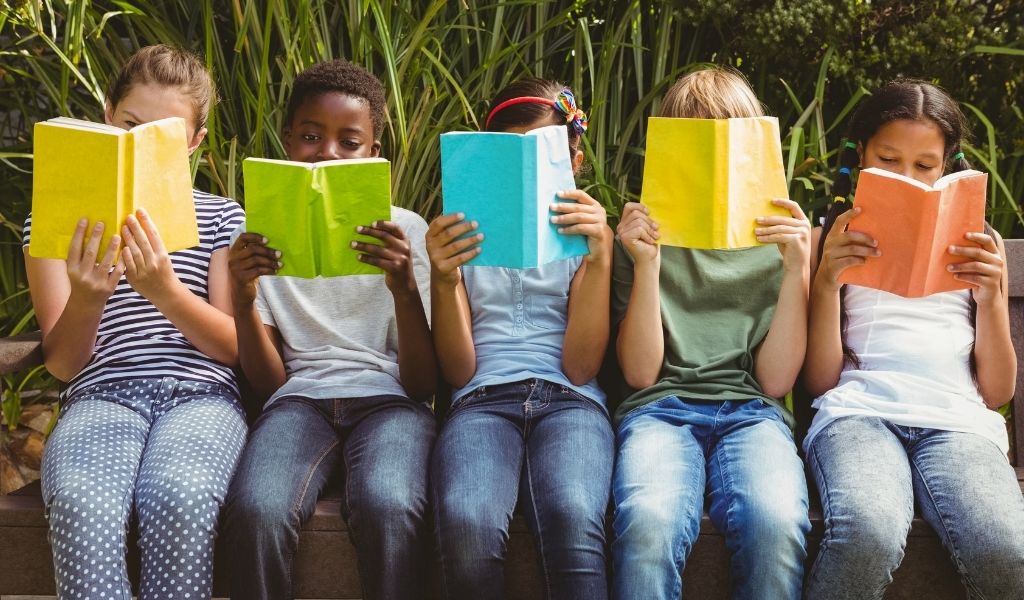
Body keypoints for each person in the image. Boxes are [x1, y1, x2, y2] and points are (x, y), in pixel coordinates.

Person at [25, 44, 246, 600]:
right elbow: (61, 363)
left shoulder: (222, 216)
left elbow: (234, 347)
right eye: (130, 125)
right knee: (81, 501)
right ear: (107, 116)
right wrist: (87, 297)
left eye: (165, 134)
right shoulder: (52, 221)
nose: (140, 141)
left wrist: (165, 291)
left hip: (202, 397)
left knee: (179, 496)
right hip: (101, 393)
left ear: (194, 143)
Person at [221, 59, 436, 600]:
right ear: (288, 139)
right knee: (258, 507)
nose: (328, 153)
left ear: (375, 153)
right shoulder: (257, 235)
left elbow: (423, 384)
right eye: (312, 137)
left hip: (390, 401)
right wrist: (244, 300)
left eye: (350, 142)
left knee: (391, 503)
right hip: (299, 401)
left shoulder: (407, 231)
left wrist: (403, 287)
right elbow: (270, 385)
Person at [802, 79, 1024, 600]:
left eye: (925, 166)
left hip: (957, 423)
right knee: (866, 533)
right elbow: (818, 381)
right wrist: (827, 284)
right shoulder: (830, 236)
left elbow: (997, 392)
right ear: (860, 156)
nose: (906, 177)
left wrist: (992, 299)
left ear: (948, 164)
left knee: (1006, 550)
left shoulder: (981, 244)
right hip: (858, 415)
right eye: (887, 160)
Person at [610, 66, 812, 600]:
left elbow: (773, 382)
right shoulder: (641, 237)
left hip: (752, 413)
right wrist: (647, 264)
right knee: (648, 522)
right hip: (659, 408)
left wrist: (797, 271)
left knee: (776, 524)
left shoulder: (777, 241)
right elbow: (638, 372)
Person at [427, 79, 614, 600]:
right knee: (467, 521)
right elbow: (459, 371)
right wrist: (444, 280)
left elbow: (580, 367)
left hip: (570, 399)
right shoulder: (460, 237)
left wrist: (600, 259)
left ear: (573, 160)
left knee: (574, 516)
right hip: (480, 400)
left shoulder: (588, 239)